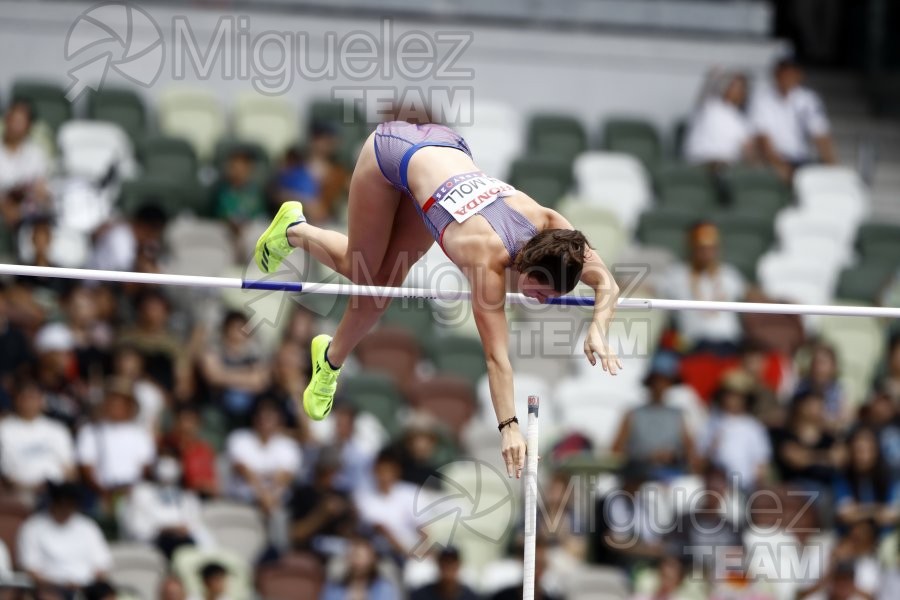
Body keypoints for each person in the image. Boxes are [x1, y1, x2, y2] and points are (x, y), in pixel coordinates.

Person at [254, 120, 622, 477]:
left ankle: (329, 361)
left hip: (447, 149)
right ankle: (293, 228)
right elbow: (496, 358)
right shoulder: (486, 262)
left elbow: (607, 284)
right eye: (539, 291)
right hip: (392, 154)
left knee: (381, 289)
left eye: (551, 297)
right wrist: (509, 426)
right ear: (526, 265)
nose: (540, 301)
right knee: (363, 274)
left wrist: (598, 328)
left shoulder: (557, 233)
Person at [659, 221, 746, 355]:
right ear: (692, 248)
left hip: (730, 346)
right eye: (701, 248)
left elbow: (748, 293)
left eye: (711, 248)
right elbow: (651, 287)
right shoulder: (677, 275)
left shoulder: (729, 274)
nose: (707, 253)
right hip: (693, 346)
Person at [17, 482, 112, 597]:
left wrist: (89, 588)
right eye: (63, 503)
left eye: (71, 504)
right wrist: (61, 585)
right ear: (53, 503)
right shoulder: (32, 527)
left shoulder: (88, 526)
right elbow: (31, 570)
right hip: (51, 589)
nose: (66, 508)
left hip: (87, 588)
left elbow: (101, 565)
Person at [750, 58, 837, 181]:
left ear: (799, 76)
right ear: (776, 75)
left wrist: (832, 166)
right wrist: (779, 165)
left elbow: (821, 135)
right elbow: (763, 139)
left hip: (801, 160)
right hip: (771, 160)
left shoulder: (808, 99)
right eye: (784, 74)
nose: (787, 79)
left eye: (791, 75)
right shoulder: (762, 99)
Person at [77, 377, 156, 511]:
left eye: (121, 402)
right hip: (100, 494)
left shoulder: (140, 433)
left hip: (133, 495)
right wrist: (103, 492)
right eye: (112, 400)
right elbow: (86, 467)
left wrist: (130, 491)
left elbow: (146, 467)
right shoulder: (90, 431)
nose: (116, 405)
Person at [122, 450, 214, 559]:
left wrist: (184, 529)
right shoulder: (141, 493)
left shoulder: (188, 497)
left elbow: (196, 526)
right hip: (157, 543)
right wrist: (164, 530)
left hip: (185, 543)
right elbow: (138, 529)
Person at [0, 376, 76, 497]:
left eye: (33, 397)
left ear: (41, 400)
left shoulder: (57, 429)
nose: (29, 402)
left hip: (57, 494)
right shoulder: (4, 429)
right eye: (24, 397)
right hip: (20, 493)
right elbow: (6, 476)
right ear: (16, 399)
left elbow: (70, 470)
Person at [684, 72, 755, 167]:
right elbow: (703, 94)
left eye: (742, 87)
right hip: (700, 162)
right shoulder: (709, 105)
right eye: (734, 86)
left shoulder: (742, 121)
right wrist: (712, 78)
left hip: (729, 168)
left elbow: (748, 151)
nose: (739, 91)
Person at [0, 100, 50, 229]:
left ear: (28, 127)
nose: (14, 126)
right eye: (12, 120)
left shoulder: (36, 154)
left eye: (20, 122)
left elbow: (41, 190)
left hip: (28, 215)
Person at [320, 535, 400, 600]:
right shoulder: (335, 587)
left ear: (372, 559)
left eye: (362, 557)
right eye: (354, 555)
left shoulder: (384, 588)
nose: (358, 562)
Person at [410, 546, 479, 600]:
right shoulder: (421, 595)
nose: (448, 566)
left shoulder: (471, 596)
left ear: (458, 565)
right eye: (445, 562)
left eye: (452, 562)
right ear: (438, 564)